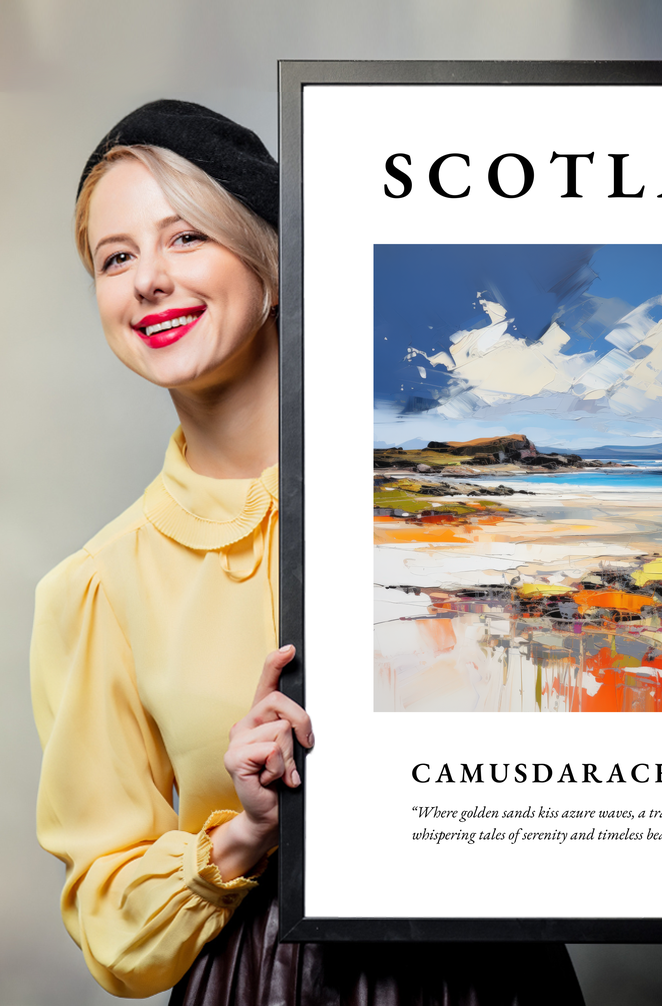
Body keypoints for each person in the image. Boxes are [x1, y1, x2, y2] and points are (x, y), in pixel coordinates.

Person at [30, 100, 585, 1004]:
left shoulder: (449, 508)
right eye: (116, 257)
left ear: (273, 264)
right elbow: (110, 924)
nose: (148, 281)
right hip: (263, 982)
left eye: (186, 239)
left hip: (493, 974)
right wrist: (245, 832)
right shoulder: (97, 587)